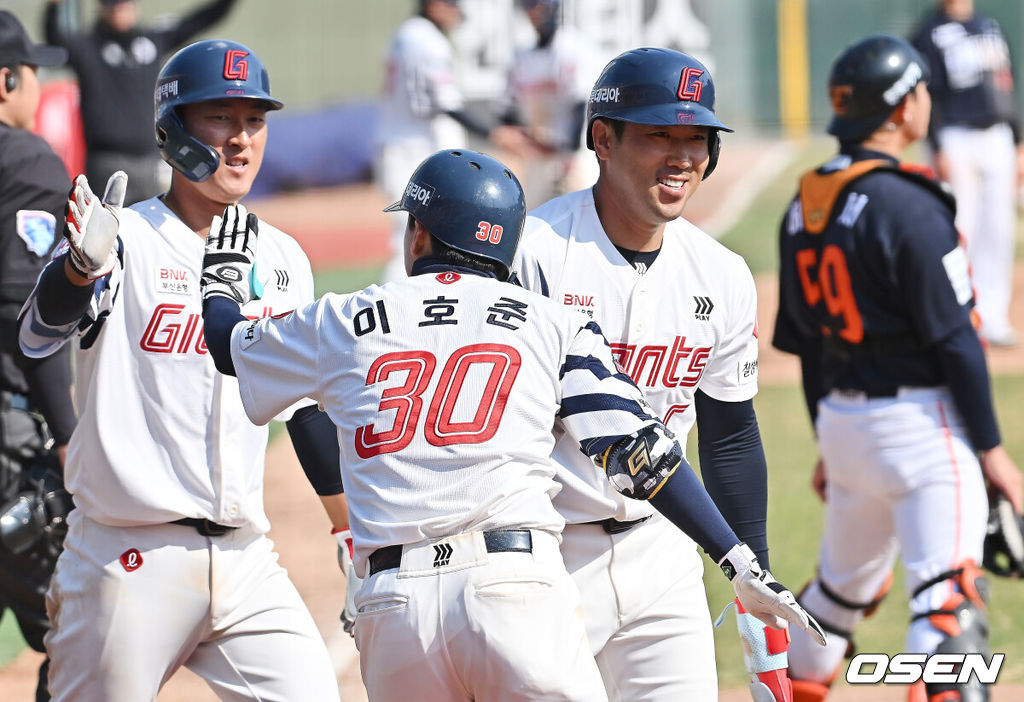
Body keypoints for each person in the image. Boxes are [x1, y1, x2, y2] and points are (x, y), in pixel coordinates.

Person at [199, 147, 825, 702]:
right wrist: (738, 559)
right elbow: (642, 454)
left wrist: (220, 281)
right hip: (514, 588)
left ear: (418, 235)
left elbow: (229, 347)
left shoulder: (345, 317)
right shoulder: (551, 324)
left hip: (395, 602)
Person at [17, 39, 341, 702]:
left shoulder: (283, 259)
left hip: (249, 564)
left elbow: (303, 412)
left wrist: (347, 529)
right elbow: (38, 333)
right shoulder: (125, 239)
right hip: (129, 561)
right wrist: (77, 268)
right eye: (220, 118)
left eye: (254, 120)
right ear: (173, 134)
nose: (242, 139)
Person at [513, 47, 793, 701]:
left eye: (696, 138)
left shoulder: (720, 275)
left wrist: (755, 574)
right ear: (604, 140)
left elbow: (729, 436)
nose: (682, 157)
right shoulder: (533, 255)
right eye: (658, 135)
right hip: (543, 557)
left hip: (661, 555)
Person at [772, 34, 1024, 702]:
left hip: (846, 428)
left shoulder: (804, 206)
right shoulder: (911, 203)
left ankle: (783, 684)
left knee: (834, 598)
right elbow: (958, 343)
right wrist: (995, 454)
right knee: (949, 609)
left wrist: (828, 438)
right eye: (922, 92)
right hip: (922, 431)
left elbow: (808, 347)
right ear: (902, 107)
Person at [0, 12, 75, 701]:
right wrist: (70, 440)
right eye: (33, 72)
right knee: (82, 635)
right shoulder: (26, 162)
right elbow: (33, 314)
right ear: (5, 81)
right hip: (10, 446)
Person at [374, 0, 534, 284]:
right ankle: (394, 308)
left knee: (424, 238)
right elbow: (446, 102)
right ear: (435, 5)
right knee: (411, 237)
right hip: (415, 153)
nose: (458, 15)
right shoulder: (426, 40)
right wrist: (495, 132)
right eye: (454, 6)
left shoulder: (404, 35)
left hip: (404, 147)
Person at [44, 0, 239, 205]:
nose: (119, 10)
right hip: (106, 161)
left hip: (148, 160)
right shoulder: (89, 46)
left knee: (147, 230)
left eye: (124, 4)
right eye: (113, 5)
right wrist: (54, 7)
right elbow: (56, 39)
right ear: (102, 9)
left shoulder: (151, 41)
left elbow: (197, 22)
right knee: (104, 230)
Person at [910, 0, 1023, 348]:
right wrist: (937, 144)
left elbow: (1008, 85)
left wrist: (1019, 142)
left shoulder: (989, 26)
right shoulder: (927, 32)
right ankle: (956, 317)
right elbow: (924, 93)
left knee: (999, 228)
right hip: (955, 137)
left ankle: (992, 317)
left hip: (997, 136)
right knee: (960, 227)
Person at [498, 0, 601, 207]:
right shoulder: (521, 57)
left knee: (587, 212)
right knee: (534, 216)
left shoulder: (573, 46)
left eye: (541, 5)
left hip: (576, 153)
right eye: (531, 6)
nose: (536, 12)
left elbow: (581, 104)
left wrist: (570, 152)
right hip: (538, 155)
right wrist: (520, 138)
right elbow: (507, 110)